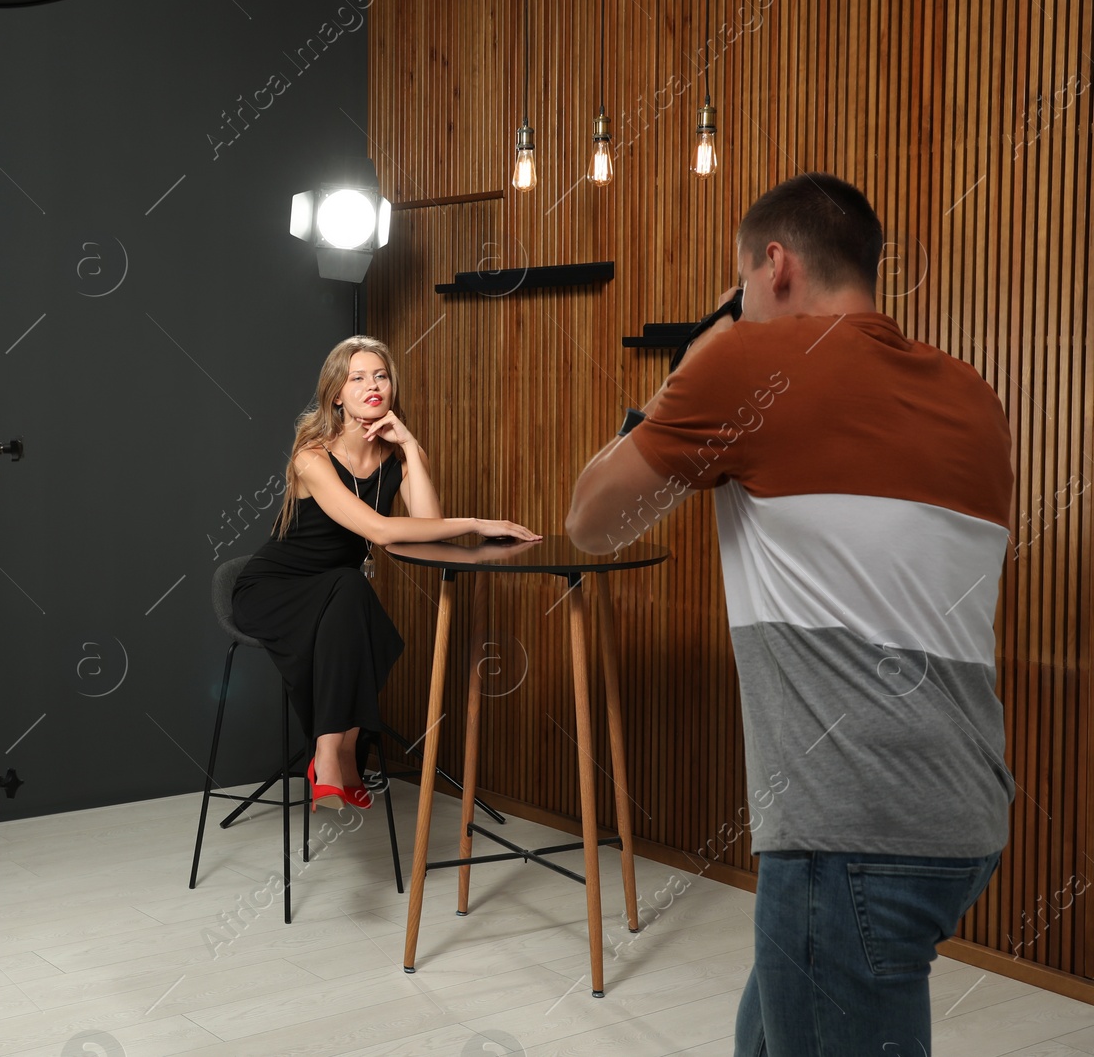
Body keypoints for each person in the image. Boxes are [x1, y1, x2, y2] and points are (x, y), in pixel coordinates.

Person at [564, 173, 1015, 1055]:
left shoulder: (747, 366)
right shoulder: (975, 397)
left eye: (739, 285)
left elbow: (589, 521)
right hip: (963, 816)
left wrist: (700, 356)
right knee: (768, 1031)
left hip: (849, 831)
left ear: (774, 266)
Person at [233, 335, 540, 812]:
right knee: (353, 592)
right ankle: (336, 753)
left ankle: (333, 755)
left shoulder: (394, 458)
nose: (372, 385)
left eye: (380, 376)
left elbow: (427, 531)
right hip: (273, 591)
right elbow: (379, 530)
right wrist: (478, 522)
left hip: (338, 596)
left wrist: (412, 447)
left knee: (357, 603)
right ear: (337, 393)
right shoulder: (311, 457)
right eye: (357, 378)